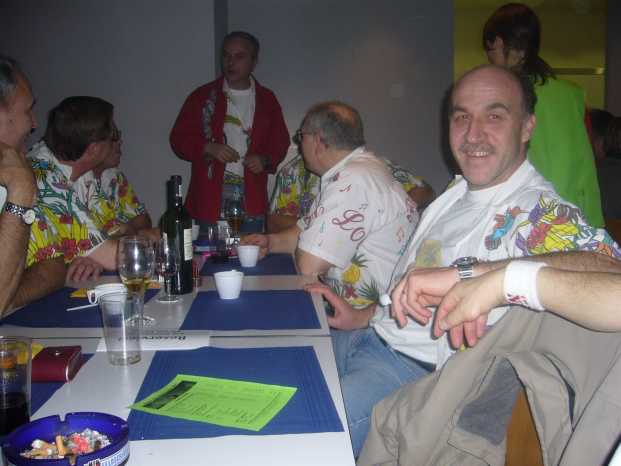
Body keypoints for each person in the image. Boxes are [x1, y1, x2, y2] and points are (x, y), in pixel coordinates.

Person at [317, 65, 620, 456]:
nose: (473, 134)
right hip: (367, 336)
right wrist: (363, 315)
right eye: (462, 117)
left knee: (298, 432)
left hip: (412, 372)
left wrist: (483, 275)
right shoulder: (457, 190)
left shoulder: (537, 212)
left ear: (527, 127)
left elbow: (610, 268)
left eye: (494, 116)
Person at [244, 100, 418, 306]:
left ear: (318, 141)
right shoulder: (355, 171)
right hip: (370, 308)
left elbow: (309, 266)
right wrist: (270, 242)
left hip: (373, 316)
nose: (300, 143)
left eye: (301, 136)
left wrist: (309, 249)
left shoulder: (353, 180)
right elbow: (303, 231)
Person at [483, 2, 604, 227]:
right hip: (572, 214)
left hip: (525, 215)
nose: (490, 60)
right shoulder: (573, 94)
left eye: (490, 51)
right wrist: (595, 223)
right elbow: (586, 165)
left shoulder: (503, 97)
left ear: (498, 43)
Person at [170, 31, 289, 234]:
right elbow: (178, 139)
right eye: (226, 55)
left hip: (251, 200)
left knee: (250, 251)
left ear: (254, 62)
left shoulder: (267, 100)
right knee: (208, 252)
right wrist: (207, 147)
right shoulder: (202, 96)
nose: (230, 62)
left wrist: (264, 159)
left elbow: (280, 143)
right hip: (208, 200)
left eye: (239, 56)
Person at [27, 96, 149, 271]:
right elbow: (114, 256)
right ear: (94, 149)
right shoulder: (43, 176)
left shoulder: (82, 174)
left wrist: (94, 256)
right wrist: (153, 237)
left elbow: (103, 241)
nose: (118, 141)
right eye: (113, 136)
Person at [267, 149, 434, 233]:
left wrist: (394, 212)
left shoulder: (373, 165)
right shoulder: (294, 171)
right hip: (314, 261)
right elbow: (273, 221)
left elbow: (425, 190)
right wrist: (327, 224)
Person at [0, 55, 37, 312]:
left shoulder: (9, 169)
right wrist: (22, 189)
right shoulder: (16, 176)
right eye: (27, 110)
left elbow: (54, 265)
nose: (34, 123)